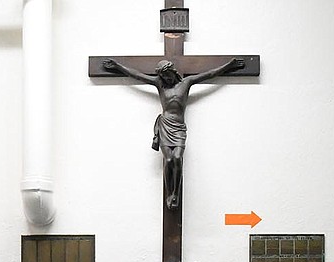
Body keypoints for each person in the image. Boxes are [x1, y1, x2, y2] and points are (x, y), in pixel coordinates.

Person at [102, 57, 245, 209]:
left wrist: (230, 66)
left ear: (172, 71)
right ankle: (170, 193)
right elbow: (137, 75)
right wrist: (118, 67)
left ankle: (175, 192)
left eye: (167, 75)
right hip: (165, 126)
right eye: (163, 77)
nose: (166, 79)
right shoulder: (160, 85)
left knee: (177, 158)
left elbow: (209, 74)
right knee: (169, 160)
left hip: (179, 128)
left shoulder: (186, 83)